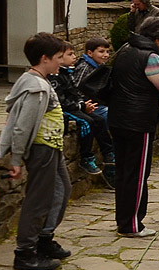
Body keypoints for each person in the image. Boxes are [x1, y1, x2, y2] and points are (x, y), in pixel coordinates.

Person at [0, 32, 70, 270]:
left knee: (61, 190)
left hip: (52, 146)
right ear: (44, 58)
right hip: (42, 148)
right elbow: (22, 125)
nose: (61, 62)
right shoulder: (36, 87)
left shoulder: (41, 80)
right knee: (39, 201)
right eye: (58, 57)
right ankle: (25, 252)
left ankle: (44, 239)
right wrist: (16, 158)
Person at [108, 16, 159, 237]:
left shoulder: (126, 48)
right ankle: (132, 224)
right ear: (156, 38)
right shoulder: (151, 57)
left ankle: (123, 219)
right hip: (138, 121)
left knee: (123, 172)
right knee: (138, 174)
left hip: (118, 118)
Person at [48, 41, 112, 177]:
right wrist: (81, 106)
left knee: (99, 120)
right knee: (87, 122)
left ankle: (109, 153)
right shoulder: (57, 76)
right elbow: (61, 99)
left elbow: (75, 92)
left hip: (79, 106)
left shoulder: (67, 72)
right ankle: (87, 157)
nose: (74, 57)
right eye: (70, 54)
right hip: (66, 109)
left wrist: (83, 104)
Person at [71, 37, 115, 187]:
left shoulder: (99, 67)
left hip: (95, 103)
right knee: (107, 117)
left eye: (107, 51)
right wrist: (84, 104)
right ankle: (110, 160)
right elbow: (76, 89)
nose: (105, 55)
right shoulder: (85, 68)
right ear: (90, 53)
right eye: (101, 51)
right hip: (86, 105)